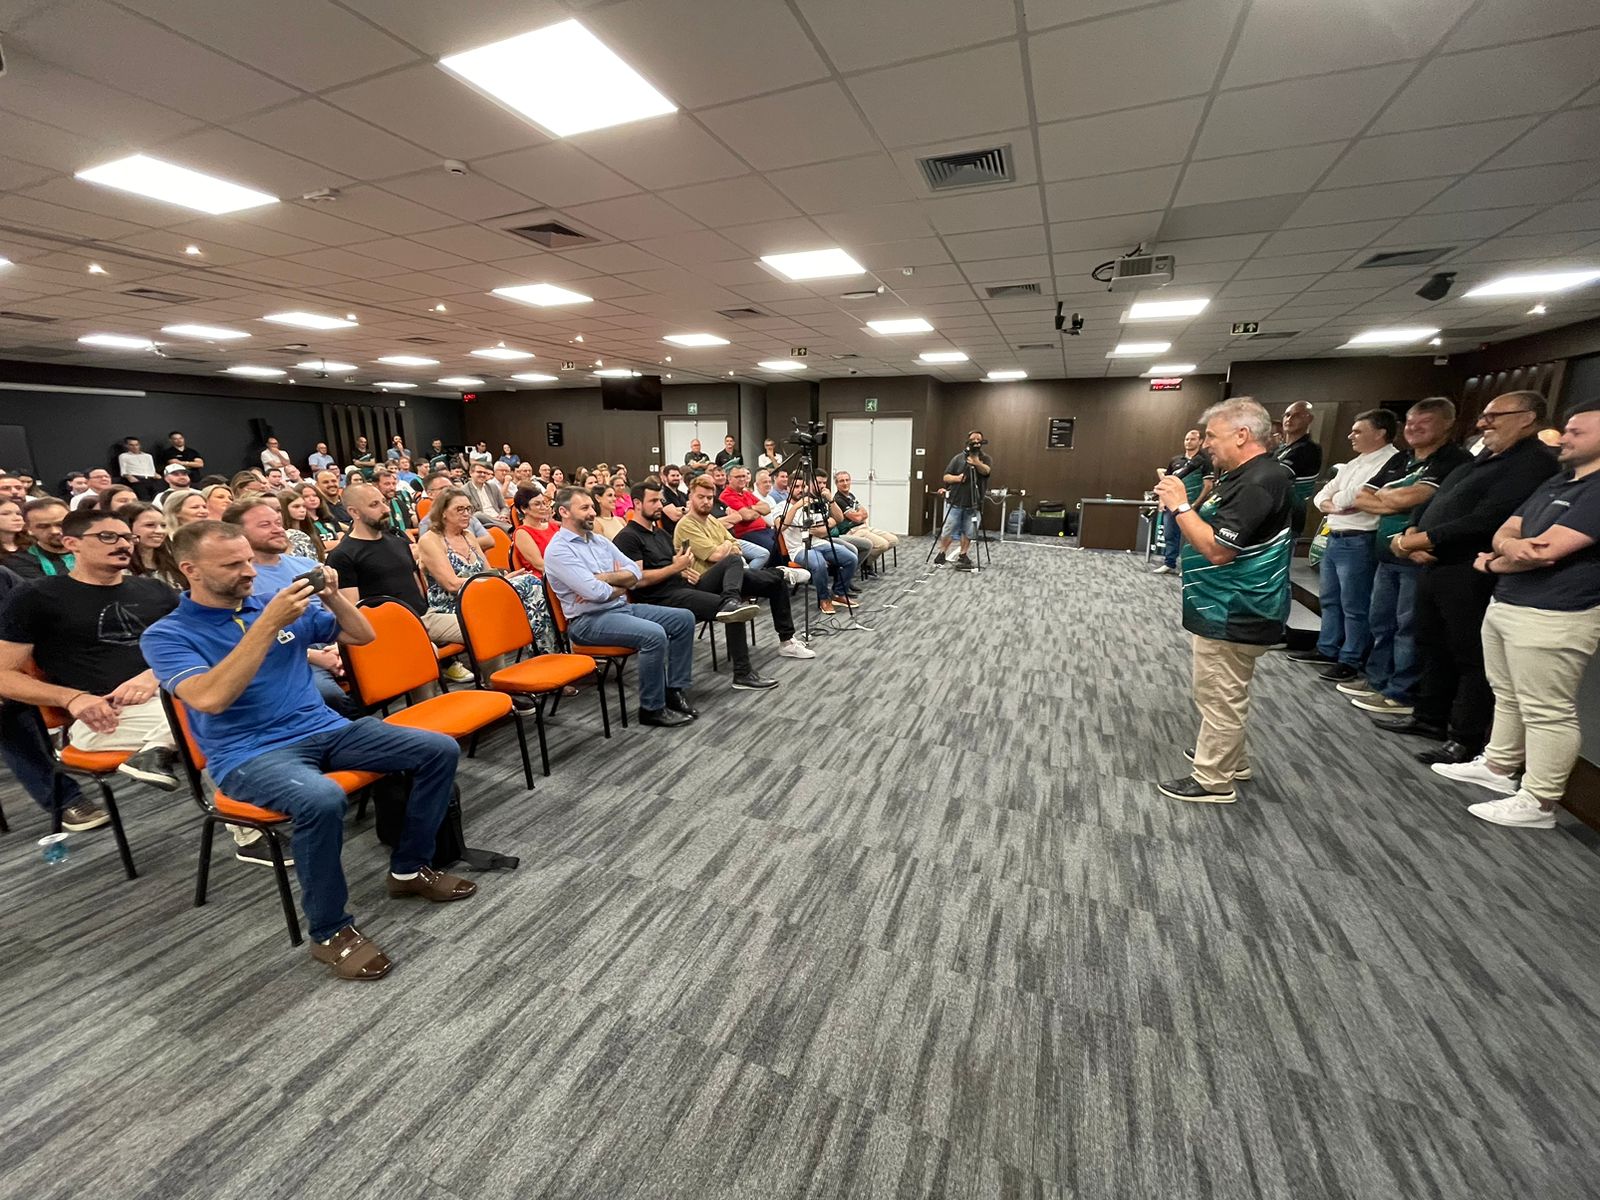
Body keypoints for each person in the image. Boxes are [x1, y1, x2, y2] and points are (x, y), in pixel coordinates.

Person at [143, 520, 474, 978]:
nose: (249, 572)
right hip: (248, 754)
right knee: (321, 798)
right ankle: (330, 930)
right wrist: (267, 625)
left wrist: (333, 596)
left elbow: (362, 636)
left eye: (247, 559)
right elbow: (209, 698)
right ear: (190, 570)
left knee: (437, 750)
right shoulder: (167, 634)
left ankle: (409, 868)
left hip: (323, 728)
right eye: (233, 564)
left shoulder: (269, 604)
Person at [1435, 404, 1600, 830]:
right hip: (1510, 601)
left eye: (1577, 432)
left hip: (1557, 612)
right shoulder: (1558, 480)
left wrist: (1493, 563)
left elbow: (1543, 552)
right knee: (1506, 692)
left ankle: (1539, 801)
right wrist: (1510, 550)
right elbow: (1507, 533)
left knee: (1548, 709)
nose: (1564, 438)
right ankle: (1498, 767)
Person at [1376, 391, 1560, 766]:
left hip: (1470, 570)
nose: (1482, 423)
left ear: (1527, 417)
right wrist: (1408, 538)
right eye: (1484, 417)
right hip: (1434, 565)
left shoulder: (1533, 463)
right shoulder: (1481, 458)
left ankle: (1464, 738)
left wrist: (1423, 539)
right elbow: (1434, 503)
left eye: (1494, 416)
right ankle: (1429, 717)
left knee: (1468, 656)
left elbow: (1487, 519)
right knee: (1431, 643)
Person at [1153, 398, 1293, 804]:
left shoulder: (1260, 481)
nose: (1207, 445)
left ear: (1242, 435)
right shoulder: (1242, 476)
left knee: (1220, 694)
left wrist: (1180, 504)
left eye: (1212, 436)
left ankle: (1213, 779)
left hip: (1235, 607)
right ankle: (1232, 759)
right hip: (1221, 603)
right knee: (1224, 691)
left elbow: (1217, 550)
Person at [0, 506, 181, 790]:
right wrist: (72, 698)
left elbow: (193, 643)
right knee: (218, 717)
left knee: (224, 710)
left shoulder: (155, 591)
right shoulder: (36, 597)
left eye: (127, 537)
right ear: (72, 543)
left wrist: (154, 674)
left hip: (172, 693)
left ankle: (157, 748)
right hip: (102, 714)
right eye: (108, 536)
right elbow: (4, 675)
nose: (123, 544)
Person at [1340, 399, 1474, 717]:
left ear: (1447, 424)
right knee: (1381, 623)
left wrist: (1386, 498)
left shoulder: (1455, 460)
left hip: (1417, 558)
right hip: (1386, 554)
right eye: (1410, 423)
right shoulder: (1403, 458)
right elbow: (1362, 496)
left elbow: (1416, 496)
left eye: (1423, 423)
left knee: (1408, 628)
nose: (1413, 429)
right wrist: (1391, 501)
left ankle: (1401, 692)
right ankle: (1378, 681)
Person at [615, 481, 792, 691]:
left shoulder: (660, 534)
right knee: (733, 608)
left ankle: (737, 597)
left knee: (733, 568)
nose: (660, 506)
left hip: (684, 586)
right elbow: (637, 580)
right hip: (661, 598)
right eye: (653, 501)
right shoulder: (628, 537)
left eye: (660, 500)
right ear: (636, 504)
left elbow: (674, 562)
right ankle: (743, 673)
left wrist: (680, 569)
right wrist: (675, 569)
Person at [544, 486, 696, 727]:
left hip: (618, 610)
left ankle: (674, 690)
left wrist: (604, 578)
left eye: (591, 507)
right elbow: (596, 593)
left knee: (684, 619)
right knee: (654, 635)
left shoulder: (599, 541)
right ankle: (651, 708)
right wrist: (619, 583)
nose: (592, 513)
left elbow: (634, 572)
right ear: (563, 512)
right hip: (587, 623)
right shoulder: (559, 550)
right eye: (584, 508)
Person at [226, 498, 361, 719]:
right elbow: (252, 638)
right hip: (287, 652)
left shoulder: (307, 566)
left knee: (410, 657)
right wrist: (316, 656)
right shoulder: (240, 581)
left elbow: (335, 614)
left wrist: (340, 647)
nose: (278, 529)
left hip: (333, 642)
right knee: (328, 694)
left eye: (278, 523)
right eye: (265, 525)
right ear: (237, 533)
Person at [328, 482, 474, 685]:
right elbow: (353, 611)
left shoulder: (398, 542)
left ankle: (494, 683)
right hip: (388, 628)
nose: (386, 509)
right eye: (374, 505)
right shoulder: (343, 555)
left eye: (384, 502)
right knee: (423, 650)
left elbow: (416, 584)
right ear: (354, 512)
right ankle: (426, 707)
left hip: (424, 617)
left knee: (484, 624)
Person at [1292, 409, 1399, 681]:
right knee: (1330, 599)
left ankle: (1350, 659)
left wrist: (1339, 501)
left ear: (1380, 433)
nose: (1351, 435)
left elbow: (1356, 496)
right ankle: (1327, 648)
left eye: (1358, 431)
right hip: (1336, 537)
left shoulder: (1391, 461)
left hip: (1360, 540)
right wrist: (1338, 502)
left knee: (1355, 605)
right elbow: (1322, 497)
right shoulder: (1355, 463)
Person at [417, 486, 556, 658]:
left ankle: (546, 653)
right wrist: (497, 580)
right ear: (443, 512)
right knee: (526, 588)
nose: (467, 513)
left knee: (530, 582)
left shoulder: (467, 536)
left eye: (469, 509)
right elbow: (452, 584)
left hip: (481, 599)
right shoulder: (430, 540)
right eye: (460, 509)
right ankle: (540, 653)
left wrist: (501, 578)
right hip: (449, 609)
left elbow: (487, 572)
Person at [775, 479, 860, 615]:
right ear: (788, 488)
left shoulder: (812, 504)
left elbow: (836, 520)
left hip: (818, 542)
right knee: (819, 564)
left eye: (803, 486)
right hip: (798, 549)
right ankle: (824, 599)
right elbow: (781, 526)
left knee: (851, 558)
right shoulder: (781, 506)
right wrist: (796, 507)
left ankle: (838, 593)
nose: (800, 489)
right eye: (796, 487)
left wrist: (829, 509)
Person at [1152, 429, 1209, 575]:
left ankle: (1186, 567)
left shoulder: (1204, 461)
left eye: (1192, 439)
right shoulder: (1176, 460)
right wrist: (1162, 500)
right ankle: (1169, 563)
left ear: (1200, 441)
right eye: (1186, 439)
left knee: (1190, 538)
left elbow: (1208, 485)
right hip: (1172, 505)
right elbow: (1167, 482)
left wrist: (1196, 504)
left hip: (1192, 506)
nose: (1188, 442)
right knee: (1170, 534)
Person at [933, 431, 992, 570]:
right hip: (955, 502)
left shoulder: (985, 459)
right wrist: (957, 478)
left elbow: (986, 471)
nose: (976, 441)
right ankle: (942, 553)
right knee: (948, 530)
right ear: (968, 441)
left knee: (969, 531)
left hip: (974, 504)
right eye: (973, 439)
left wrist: (976, 462)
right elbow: (946, 477)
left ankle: (963, 554)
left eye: (979, 439)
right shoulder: (958, 458)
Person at [1273, 401, 1323, 540]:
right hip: (1269, 519)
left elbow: (1274, 477)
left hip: (1288, 521)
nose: (1289, 419)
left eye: (1297, 415)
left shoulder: (1309, 449)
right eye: (1287, 415)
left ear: (1309, 419)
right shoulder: (1280, 449)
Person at [832, 470, 898, 564]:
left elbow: (865, 513)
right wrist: (859, 514)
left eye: (847, 480)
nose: (845, 483)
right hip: (852, 531)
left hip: (863, 526)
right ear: (836, 484)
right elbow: (857, 518)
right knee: (883, 545)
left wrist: (859, 515)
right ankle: (865, 564)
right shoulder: (838, 499)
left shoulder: (850, 496)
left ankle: (865, 559)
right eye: (842, 481)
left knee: (893, 540)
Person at [417, 472, 494, 549]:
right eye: (443, 488)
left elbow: (489, 541)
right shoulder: (426, 523)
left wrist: (458, 544)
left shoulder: (467, 514)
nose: (449, 492)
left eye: (451, 487)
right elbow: (430, 550)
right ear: (430, 494)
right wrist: (466, 544)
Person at [120, 501, 184, 588]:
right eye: (150, 525)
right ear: (127, 527)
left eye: (163, 525)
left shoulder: (174, 563)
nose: (160, 531)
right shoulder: (118, 569)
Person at [9, 499, 73, 580]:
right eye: (43, 527)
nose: (55, 531)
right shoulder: (19, 562)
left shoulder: (91, 551)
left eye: (60, 524)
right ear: (28, 529)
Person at [511, 487, 557, 576]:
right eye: (537, 504)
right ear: (524, 509)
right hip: (544, 578)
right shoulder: (522, 533)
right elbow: (540, 565)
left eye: (544, 503)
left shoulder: (552, 526)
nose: (543, 507)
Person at [279, 489, 329, 560]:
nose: (302, 510)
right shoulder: (281, 535)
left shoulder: (311, 530)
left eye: (304, 506)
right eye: (296, 507)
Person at [463, 461, 512, 531]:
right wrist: (495, 519)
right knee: (477, 515)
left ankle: (503, 525)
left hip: (499, 517)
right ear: (471, 473)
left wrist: (503, 515)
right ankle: (508, 528)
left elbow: (504, 506)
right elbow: (470, 514)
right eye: (479, 472)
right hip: (483, 522)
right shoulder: (464, 490)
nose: (483, 475)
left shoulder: (493, 487)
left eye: (485, 473)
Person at [374, 467, 417, 532]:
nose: (392, 487)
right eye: (387, 484)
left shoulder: (400, 504)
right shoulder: (371, 507)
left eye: (394, 484)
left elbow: (408, 526)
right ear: (375, 486)